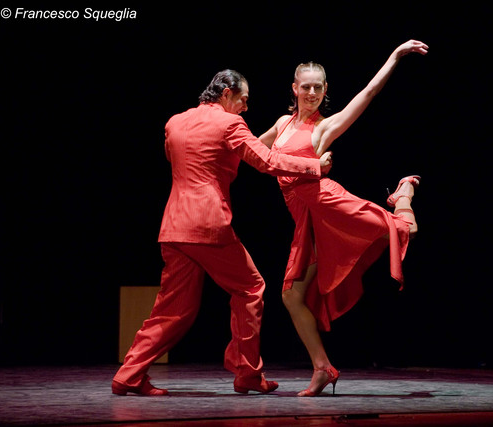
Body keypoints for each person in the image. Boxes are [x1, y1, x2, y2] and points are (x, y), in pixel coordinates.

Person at [112, 69, 333, 396]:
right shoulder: (230, 124)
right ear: (227, 93)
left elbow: (184, 161)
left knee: (173, 310)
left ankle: (128, 375)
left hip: (174, 225)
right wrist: (315, 167)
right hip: (208, 223)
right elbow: (267, 162)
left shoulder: (175, 122)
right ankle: (248, 373)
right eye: (243, 99)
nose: (246, 107)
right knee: (251, 288)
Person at [258, 40, 428, 396]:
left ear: (325, 90)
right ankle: (323, 368)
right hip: (306, 221)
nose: (312, 93)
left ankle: (403, 194)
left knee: (405, 230)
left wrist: (394, 56)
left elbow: (368, 93)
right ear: (294, 88)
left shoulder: (324, 127)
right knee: (291, 296)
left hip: (327, 203)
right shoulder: (282, 123)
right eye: (306, 87)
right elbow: (255, 151)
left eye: (318, 88)